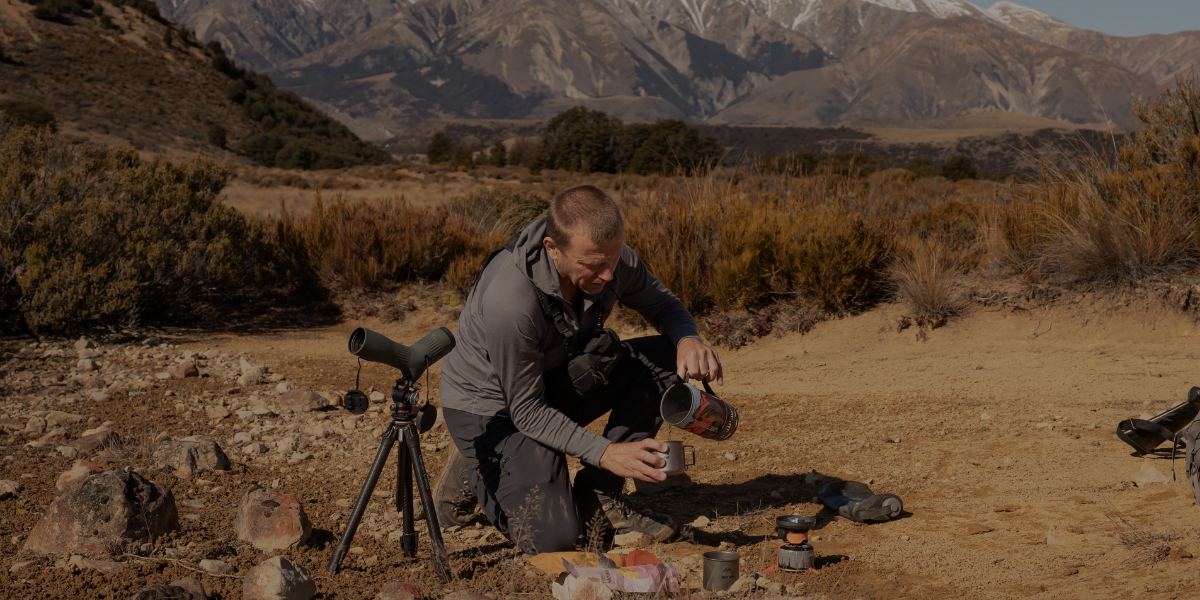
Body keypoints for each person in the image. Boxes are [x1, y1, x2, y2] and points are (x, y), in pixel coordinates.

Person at [435, 184, 724, 554]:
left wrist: (688, 340)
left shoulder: (607, 256)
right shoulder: (510, 300)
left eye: (613, 259)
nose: (608, 276)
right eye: (592, 265)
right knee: (557, 542)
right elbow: (525, 410)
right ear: (552, 249)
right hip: (492, 409)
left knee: (667, 357)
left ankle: (599, 495)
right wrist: (606, 452)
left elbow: (665, 306)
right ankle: (474, 465)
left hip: (550, 383)